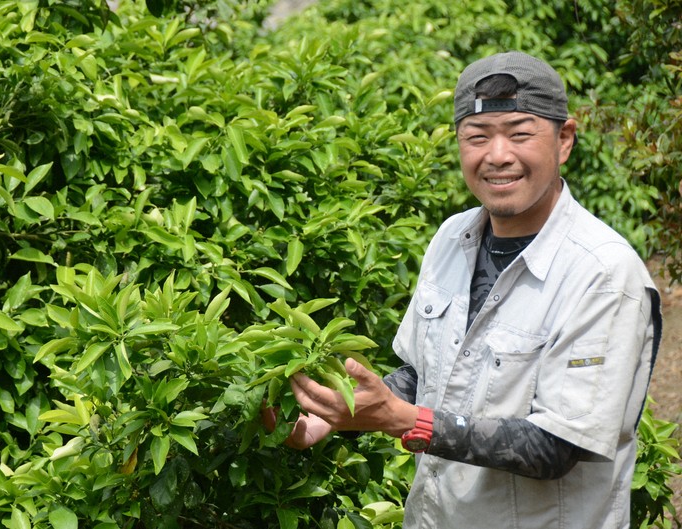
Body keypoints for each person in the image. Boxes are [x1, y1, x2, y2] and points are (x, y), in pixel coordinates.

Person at [281, 51, 662, 528]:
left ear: (564, 140)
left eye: (520, 134)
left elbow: (557, 446)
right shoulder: (452, 237)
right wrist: (338, 409)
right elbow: (425, 374)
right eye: (477, 137)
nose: (497, 155)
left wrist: (406, 420)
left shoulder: (603, 273)